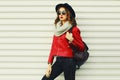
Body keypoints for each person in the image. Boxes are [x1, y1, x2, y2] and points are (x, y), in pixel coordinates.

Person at [41, 3, 85, 80]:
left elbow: (82, 48)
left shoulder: (74, 29)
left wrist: (72, 40)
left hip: (69, 61)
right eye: (59, 13)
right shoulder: (57, 30)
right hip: (59, 60)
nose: (61, 14)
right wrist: (49, 64)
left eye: (63, 13)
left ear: (68, 14)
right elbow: (53, 47)